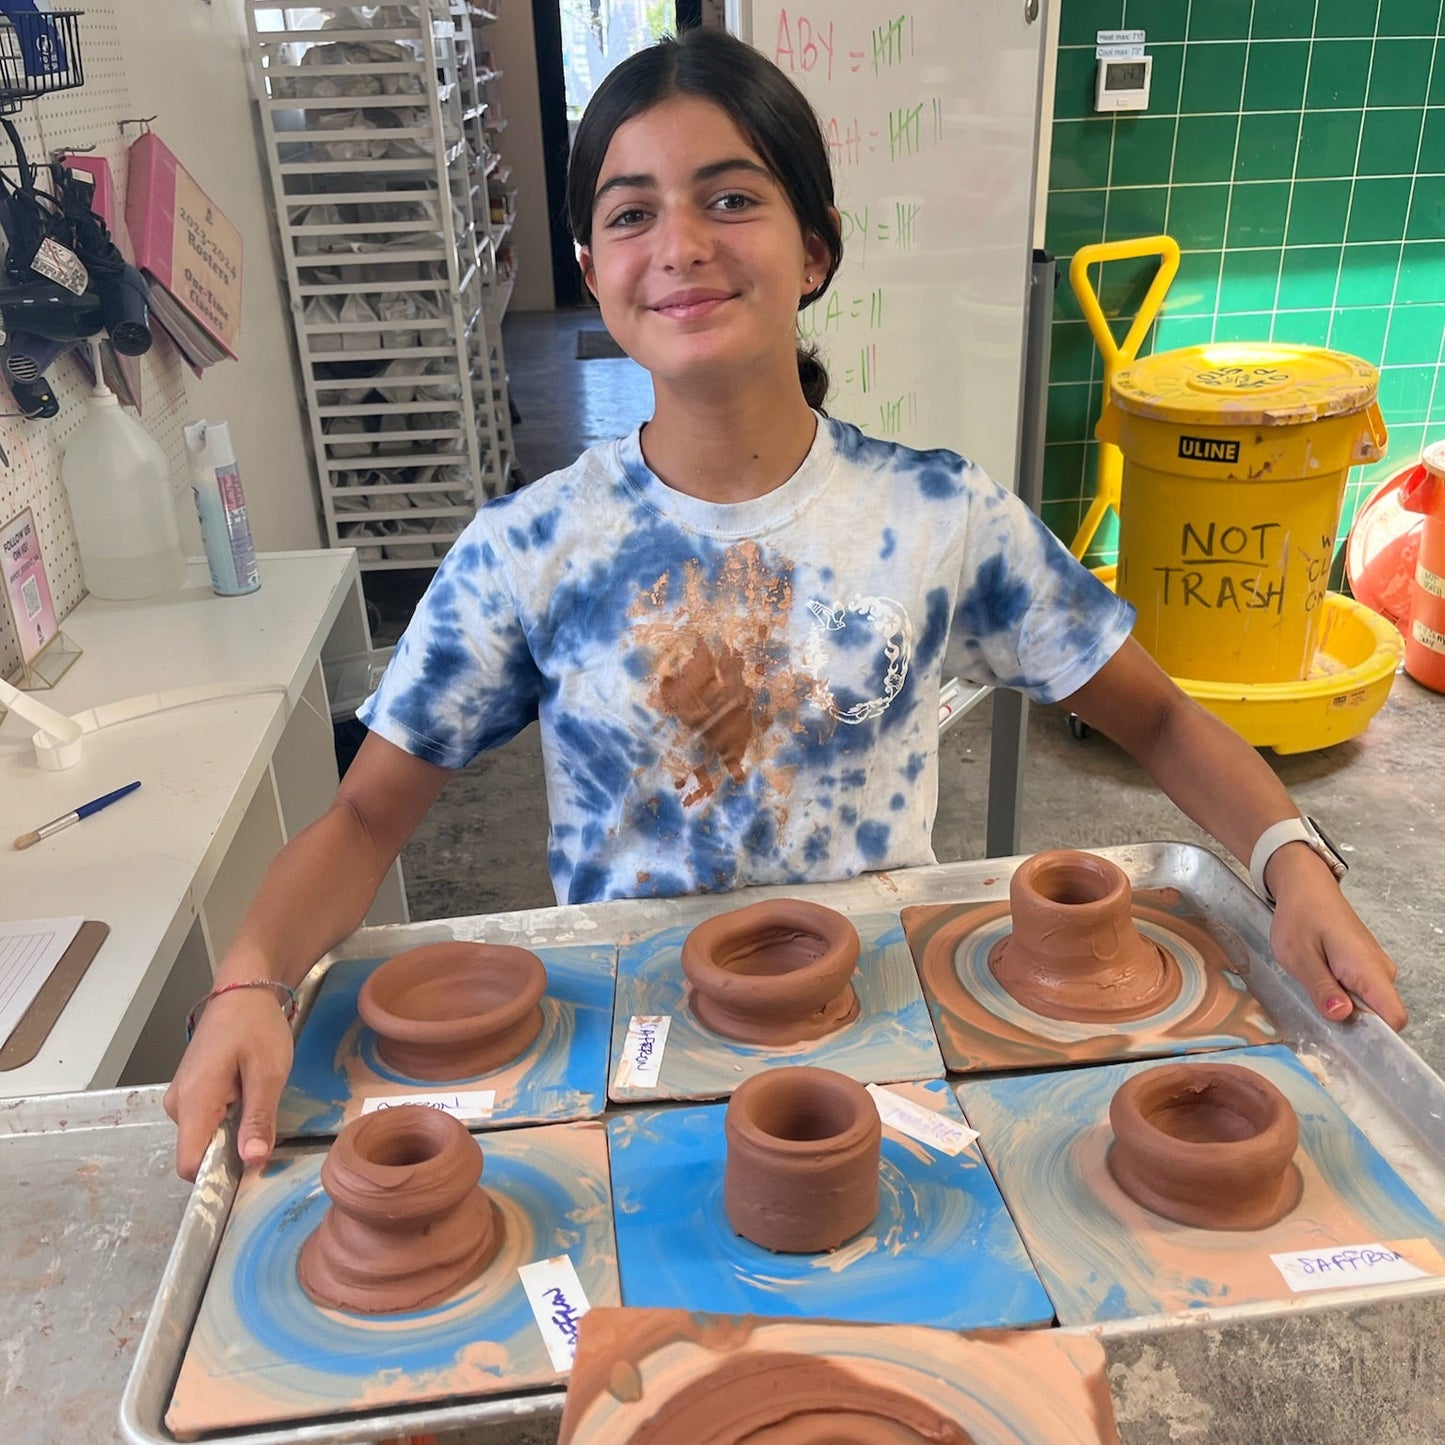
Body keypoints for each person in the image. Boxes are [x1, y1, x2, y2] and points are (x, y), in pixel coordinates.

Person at [164, 27, 1405, 1180]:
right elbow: (366, 817)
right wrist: (247, 986)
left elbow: (1162, 723)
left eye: (729, 197)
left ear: (812, 248)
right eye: (631, 213)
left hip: (873, 1036)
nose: (682, 243)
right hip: (630, 1059)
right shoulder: (526, 549)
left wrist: (1292, 864)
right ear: (594, 273)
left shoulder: (937, 516)